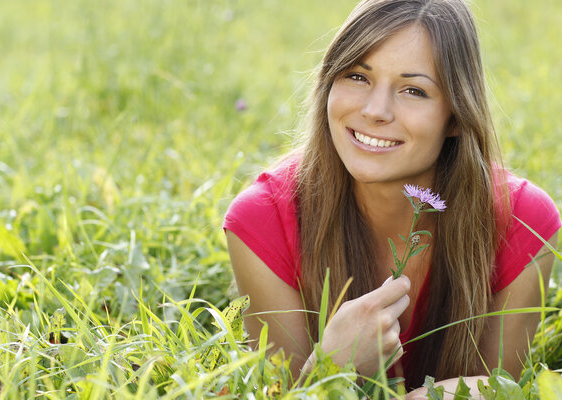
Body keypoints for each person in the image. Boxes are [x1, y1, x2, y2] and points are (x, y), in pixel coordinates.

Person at [223, 0, 561, 397]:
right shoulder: (263, 220)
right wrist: (331, 369)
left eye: (414, 90)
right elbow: (280, 393)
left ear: (455, 115)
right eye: (357, 76)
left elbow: (499, 389)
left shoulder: (523, 223)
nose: (375, 111)